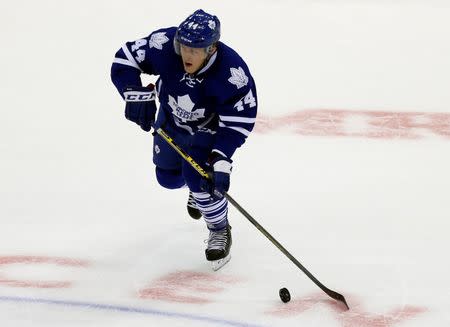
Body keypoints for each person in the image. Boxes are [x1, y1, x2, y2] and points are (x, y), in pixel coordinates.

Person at [111, 9, 257, 270]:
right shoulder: (164, 45)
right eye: (183, 46)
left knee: (198, 178)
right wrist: (132, 93)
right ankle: (196, 189)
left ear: (211, 49)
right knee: (166, 179)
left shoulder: (233, 74)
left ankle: (219, 229)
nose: (185, 54)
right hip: (170, 119)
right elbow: (125, 59)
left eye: (194, 49)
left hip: (207, 129)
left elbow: (240, 121)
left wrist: (221, 157)